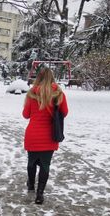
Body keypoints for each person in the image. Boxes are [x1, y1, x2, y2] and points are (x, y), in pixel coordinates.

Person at [22, 67, 68, 205]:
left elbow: (26, 115)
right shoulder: (58, 94)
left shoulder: (31, 94)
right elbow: (64, 112)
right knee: (45, 165)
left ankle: (31, 185)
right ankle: (39, 194)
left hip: (33, 134)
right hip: (49, 135)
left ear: (38, 78)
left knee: (31, 162)